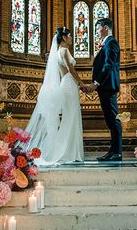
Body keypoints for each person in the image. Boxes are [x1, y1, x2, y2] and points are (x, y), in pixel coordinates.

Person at [25, 27, 84, 164]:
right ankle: (65, 152)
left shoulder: (58, 52)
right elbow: (70, 69)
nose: (71, 38)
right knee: (70, 118)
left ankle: (70, 151)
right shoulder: (63, 51)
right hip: (69, 84)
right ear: (64, 37)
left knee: (70, 117)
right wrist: (81, 83)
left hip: (67, 83)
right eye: (69, 36)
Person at [87, 18, 122, 161]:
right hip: (105, 87)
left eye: (98, 28)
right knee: (110, 120)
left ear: (105, 27)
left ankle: (117, 152)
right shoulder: (106, 43)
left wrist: (97, 82)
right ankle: (113, 151)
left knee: (113, 120)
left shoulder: (111, 42)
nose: (96, 31)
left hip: (107, 86)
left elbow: (108, 65)